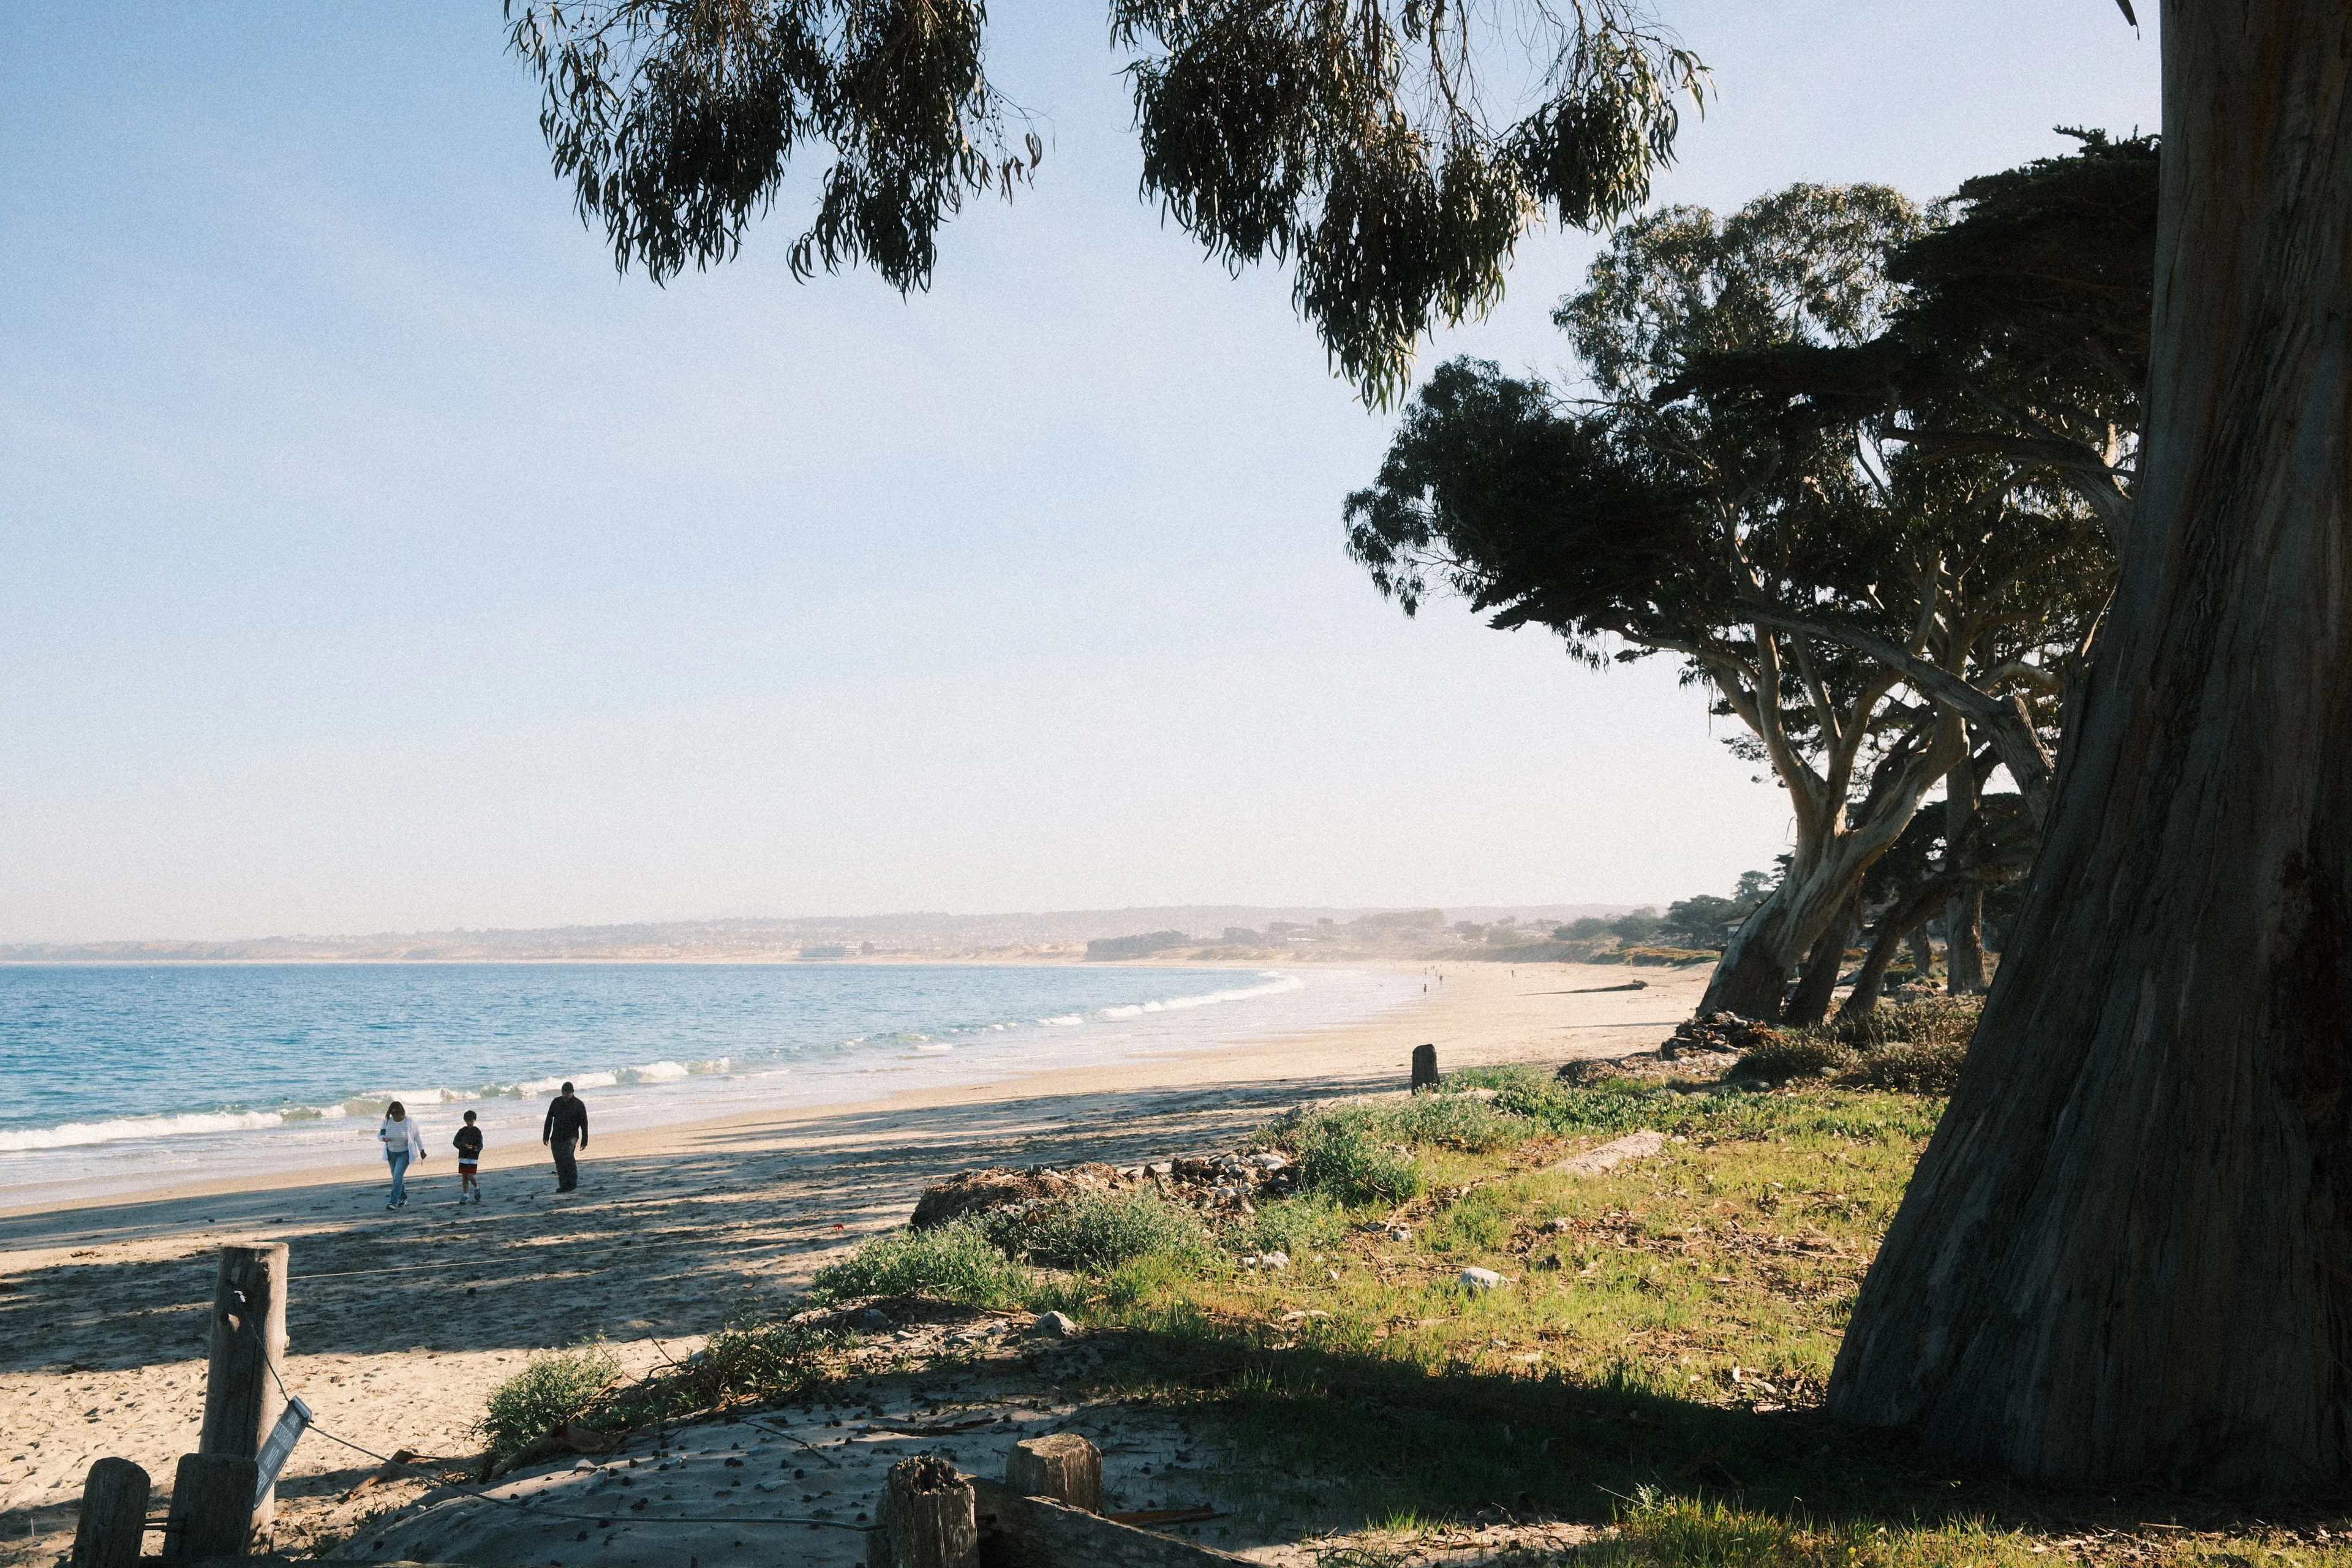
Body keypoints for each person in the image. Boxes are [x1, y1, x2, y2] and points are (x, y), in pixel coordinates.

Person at [541, 1081, 589, 1192]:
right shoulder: (556, 1102)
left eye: (567, 1093)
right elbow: (549, 1119)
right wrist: (546, 1136)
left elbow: (584, 1124)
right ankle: (563, 1185)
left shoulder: (579, 1104)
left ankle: (572, 1183)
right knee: (559, 1160)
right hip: (556, 1136)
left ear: (572, 1092)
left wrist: (585, 1140)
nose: (565, 1095)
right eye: (563, 1093)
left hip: (571, 1136)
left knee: (568, 1157)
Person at [379, 1101, 426, 1209]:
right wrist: (383, 1138)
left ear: (402, 1112)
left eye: (397, 1113)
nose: (395, 1116)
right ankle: (403, 1198)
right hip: (391, 1153)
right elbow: (380, 1134)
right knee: (396, 1178)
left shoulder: (410, 1122)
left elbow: (417, 1136)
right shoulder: (387, 1122)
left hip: (405, 1153)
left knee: (397, 1177)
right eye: (393, 1113)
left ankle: (393, 1202)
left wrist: (422, 1150)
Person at [453, 1109, 484, 1205]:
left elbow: (480, 1145)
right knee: (464, 1176)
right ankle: (466, 1195)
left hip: (473, 1157)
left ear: (474, 1120)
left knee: (470, 1175)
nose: (469, 1123)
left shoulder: (477, 1132)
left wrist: (474, 1148)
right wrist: (463, 1146)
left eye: (471, 1121)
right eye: (467, 1121)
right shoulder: (462, 1131)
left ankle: (476, 1187)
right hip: (463, 1156)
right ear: (465, 1121)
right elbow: (455, 1142)